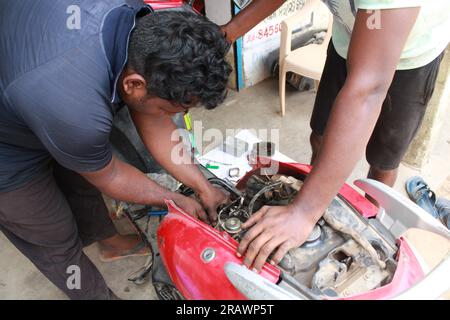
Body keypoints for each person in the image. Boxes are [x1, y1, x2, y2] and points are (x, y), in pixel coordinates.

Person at [0, 0, 231, 299]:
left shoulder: (137, 25)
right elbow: (109, 175)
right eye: (174, 107)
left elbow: (153, 119)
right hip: (9, 154)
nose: (174, 114)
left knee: (80, 178)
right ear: (134, 84)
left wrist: (202, 186)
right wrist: (174, 199)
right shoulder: (75, 111)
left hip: (30, 84)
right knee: (54, 240)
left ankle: (109, 242)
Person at [222, 0, 450, 272]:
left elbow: (368, 90)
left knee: (382, 159)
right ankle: (319, 196)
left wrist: (304, 212)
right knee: (321, 135)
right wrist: (228, 32)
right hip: (348, 42)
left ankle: (369, 221)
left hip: (410, 57)